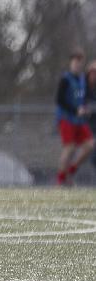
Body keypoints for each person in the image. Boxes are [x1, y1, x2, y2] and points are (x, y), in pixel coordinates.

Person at [55, 50, 93, 185]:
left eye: (80, 62)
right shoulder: (65, 79)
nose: (77, 64)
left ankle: (71, 170)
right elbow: (59, 100)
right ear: (71, 63)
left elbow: (84, 98)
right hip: (66, 118)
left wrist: (86, 108)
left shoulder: (83, 79)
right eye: (75, 61)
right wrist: (75, 109)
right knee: (69, 148)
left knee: (90, 145)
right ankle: (60, 180)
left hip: (79, 120)